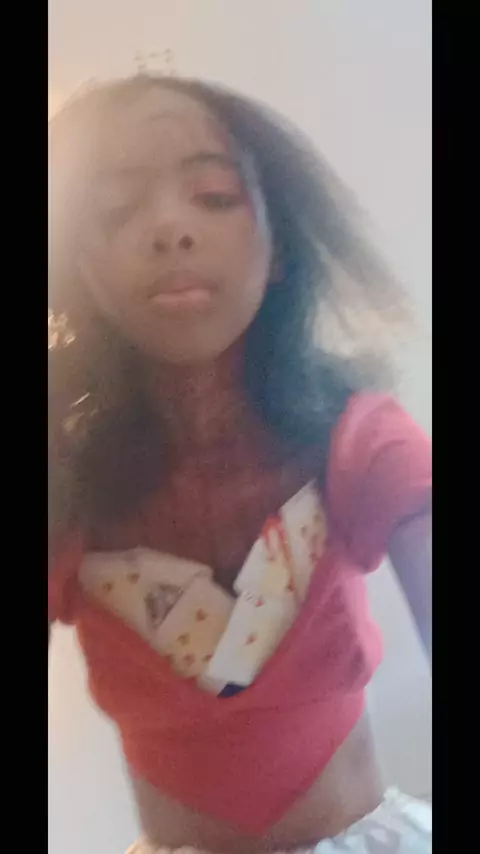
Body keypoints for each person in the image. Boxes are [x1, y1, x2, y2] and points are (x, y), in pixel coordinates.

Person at [48, 74, 432, 854]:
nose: (169, 229)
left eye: (214, 196)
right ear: (77, 266)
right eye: (116, 209)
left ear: (280, 244)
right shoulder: (65, 482)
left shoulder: (362, 443)